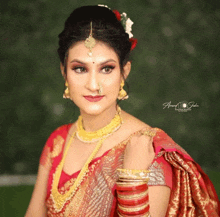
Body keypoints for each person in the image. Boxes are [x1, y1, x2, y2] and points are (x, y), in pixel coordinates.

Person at [25, 5, 219, 217]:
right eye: (79, 68)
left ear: (124, 72)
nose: (93, 85)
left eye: (106, 68)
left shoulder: (149, 151)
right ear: (64, 73)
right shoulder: (58, 142)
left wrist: (133, 178)